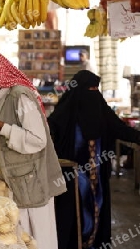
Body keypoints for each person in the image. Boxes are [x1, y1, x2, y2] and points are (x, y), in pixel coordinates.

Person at [0, 46, 66, 249]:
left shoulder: (20, 96)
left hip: (31, 185)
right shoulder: (3, 98)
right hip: (19, 185)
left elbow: (38, 139)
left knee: (39, 240)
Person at [48, 70, 140, 249]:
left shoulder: (102, 110)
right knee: (70, 214)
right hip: (70, 179)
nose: (93, 93)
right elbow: (47, 133)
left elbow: (121, 129)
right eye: (89, 88)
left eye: (96, 89)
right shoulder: (63, 114)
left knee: (96, 211)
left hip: (98, 179)